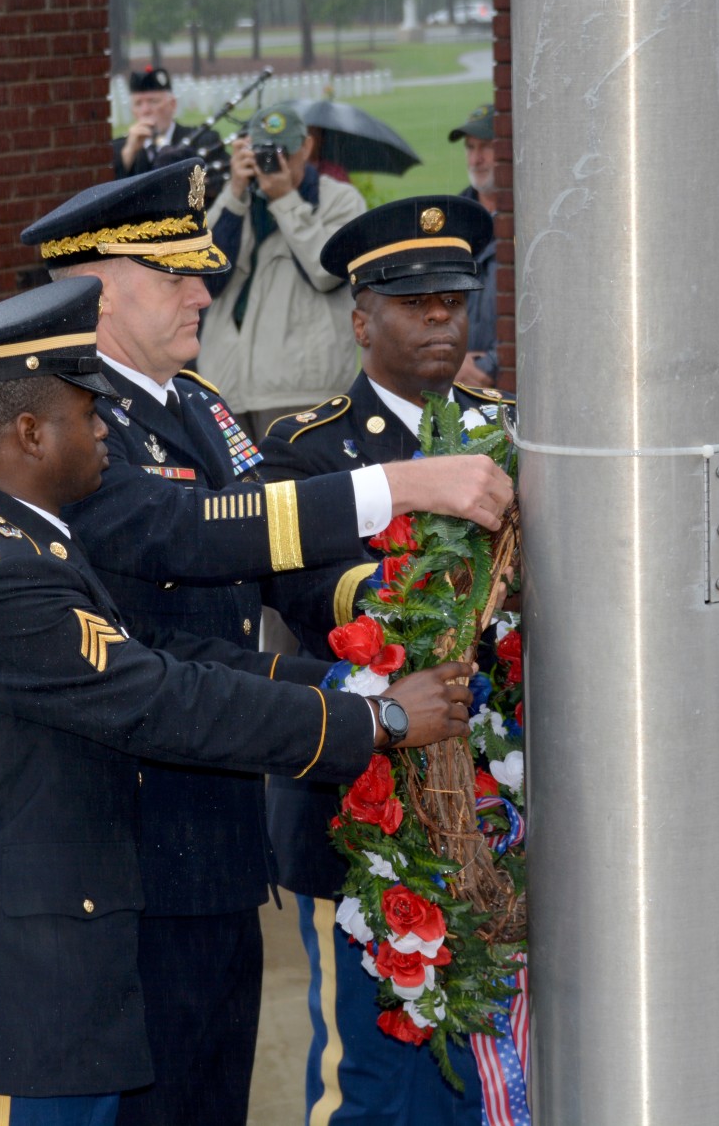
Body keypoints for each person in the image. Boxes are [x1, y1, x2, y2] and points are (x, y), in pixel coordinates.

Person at [0, 276, 479, 1126]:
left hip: (55, 995)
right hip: (4, 1007)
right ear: (30, 433)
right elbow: (162, 701)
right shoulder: (2, 576)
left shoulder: (29, 545)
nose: (106, 428)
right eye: (87, 414)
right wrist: (379, 718)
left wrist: (343, 685)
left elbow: (173, 663)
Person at [19, 161, 515, 1126]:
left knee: (212, 1097)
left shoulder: (195, 402)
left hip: (218, 833)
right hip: (128, 848)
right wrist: (400, 490)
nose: (204, 290)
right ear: (96, 290)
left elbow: (239, 603)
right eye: (174, 277)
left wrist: (353, 695)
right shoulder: (73, 419)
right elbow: (192, 533)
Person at [260, 195, 514, 1126]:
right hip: (368, 813)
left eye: (455, 296)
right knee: (371, 1087)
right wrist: (454, 582)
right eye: (416, 302)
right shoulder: (305, 451)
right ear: (363, 318)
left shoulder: (510, 431)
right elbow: (308, 596)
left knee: (501, 1074)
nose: (444, 316)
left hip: (500, 818)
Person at [197, 102, 367, 440]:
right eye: (262, 152)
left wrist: (286, 200)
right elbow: (205, 278)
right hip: (227, 388)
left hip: (303, 391)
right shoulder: (238, 199)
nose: (274, 162)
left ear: (306, 147)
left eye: (283, 152)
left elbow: (326, 273)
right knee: (240, 494)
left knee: (299, 493)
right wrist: (233, 195)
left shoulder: (342, 201)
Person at [448, 104, 500, 388]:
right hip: (456, 385)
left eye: (485, 147)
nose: (476, 159)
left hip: (509, 385)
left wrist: (491, 364)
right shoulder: (450, 221)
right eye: (470, 147)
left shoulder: (532, 220)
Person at [113, 67, 197, 179]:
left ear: (172, 104)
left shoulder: (199, 139)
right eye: (138, 104)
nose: (145, 110)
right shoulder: (119, 149)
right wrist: (129, 154)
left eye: (153, 101)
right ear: (133, 111)